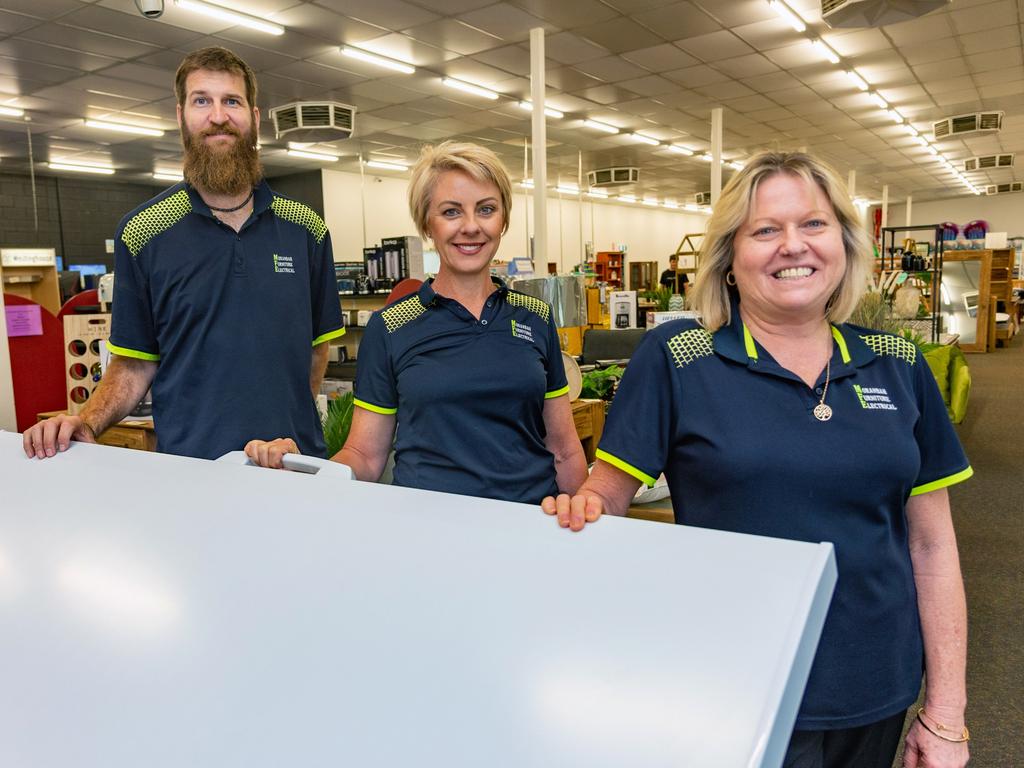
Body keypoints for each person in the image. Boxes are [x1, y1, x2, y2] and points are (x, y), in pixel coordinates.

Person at [543, 151, 971, 768]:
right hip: (733, 682)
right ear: (731, 258)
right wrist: (579, 510)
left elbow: (933, 547)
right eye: (765, 230)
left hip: (873, 680)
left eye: (814, 225)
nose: (792, 246)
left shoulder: (896, 362)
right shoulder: (678, 357)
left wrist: (948, 713)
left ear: (845, 245)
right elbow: (606, 491)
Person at [23, 47, 344, 461]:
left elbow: (317, 348)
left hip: (294, 461)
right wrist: (85, 422)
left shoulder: (306, 229)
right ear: (181, 116)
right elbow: (134, 362)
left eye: (232, 100)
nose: (218, 116)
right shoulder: (142, 232)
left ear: (255, 117)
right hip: (192, 469)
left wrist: (290, 422)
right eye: (201, 101)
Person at [246, 142, 587, 505]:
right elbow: (365, 454)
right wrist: (301, 474)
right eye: (451, 212)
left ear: (503, 220)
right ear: (428, 222)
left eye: (486, 209)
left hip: (529, 522)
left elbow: (563, 448)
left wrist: (583, 520)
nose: (471, 226)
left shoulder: (535, 317)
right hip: (427, 527)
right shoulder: (390, 327)